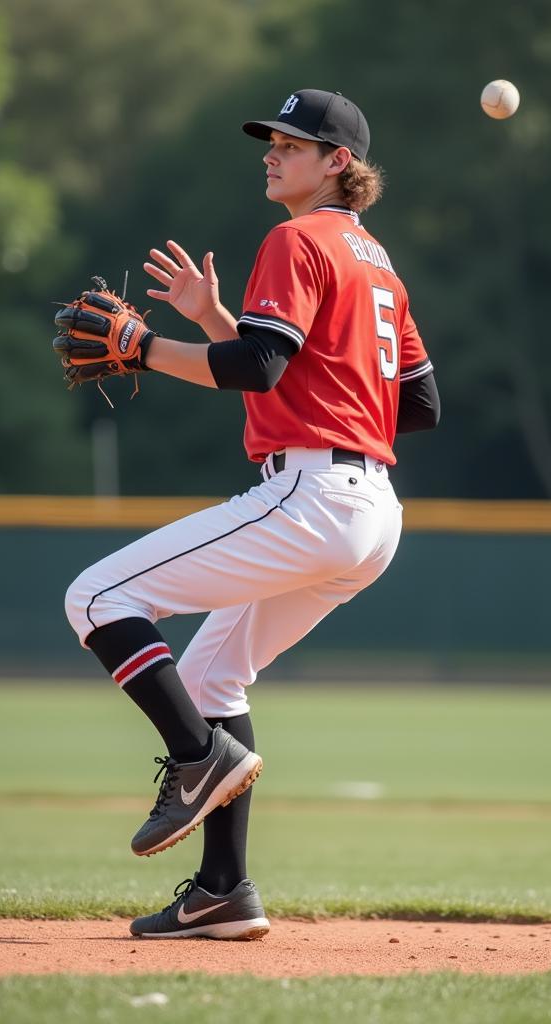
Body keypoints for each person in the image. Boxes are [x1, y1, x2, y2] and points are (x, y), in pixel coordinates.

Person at [63, 88, 440, 941]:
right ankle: (223, 891)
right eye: (270, 141)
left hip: (311, 495)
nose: (272, 154)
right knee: (212, 679)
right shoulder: (377, 262)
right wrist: (215, 323)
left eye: (292, 144)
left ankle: (199, 761)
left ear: (338, 162)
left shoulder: (296, 237)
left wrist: (144, 348)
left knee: (95, 598)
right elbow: (414, 404)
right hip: (371, 511)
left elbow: (259, 368)